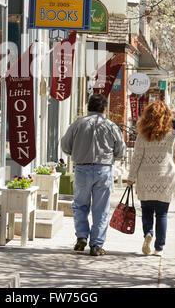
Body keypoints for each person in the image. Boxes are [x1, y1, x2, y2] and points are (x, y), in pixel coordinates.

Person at [126, 101, 175, 257]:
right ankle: (159, 248)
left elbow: (136, 158)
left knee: (147, 211)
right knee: (162, 215)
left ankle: (148, 234)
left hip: (145, 180)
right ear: (166, 116)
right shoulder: (173, 136)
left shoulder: (142, 136)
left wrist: (130, 178)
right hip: (166, 179)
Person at [61, 94, 126, 256]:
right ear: (104, 109)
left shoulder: (78, 124)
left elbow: (65, 146)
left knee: (80, 205)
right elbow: (121, 150)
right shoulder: (110, 126)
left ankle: (82, 236)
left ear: (87, 107)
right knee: (101, 209)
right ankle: (96, 244)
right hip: (103, 170)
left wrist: (77, 151)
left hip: (82, 169)